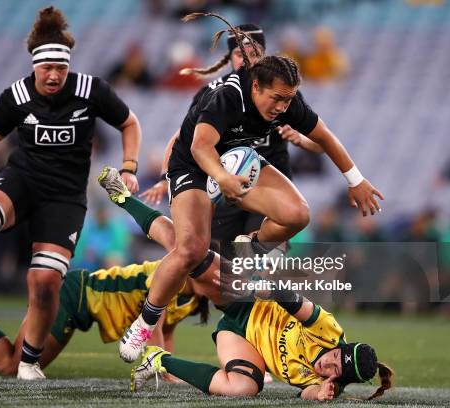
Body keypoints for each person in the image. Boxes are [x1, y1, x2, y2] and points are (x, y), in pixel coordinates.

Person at [119, 13, 384, 363]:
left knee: (298, 214)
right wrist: (222, 179)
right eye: (277, 99)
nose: (283, 108)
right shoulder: (229, 95)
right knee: (190, 250)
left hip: (240, 162)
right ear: (256, 86)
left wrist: (356, 180)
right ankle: (144, 322)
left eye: (288, 101)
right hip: (195, 166)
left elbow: (324, 136)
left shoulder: (285, 99)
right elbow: (199, 146)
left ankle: (252, 248)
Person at [0, 7, 142, 379]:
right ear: (34, 65)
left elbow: (129, 122)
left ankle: (29, 362)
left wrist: (129, 167)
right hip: (22, 182)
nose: (53, 75)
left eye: (60, 68)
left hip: (64, 198)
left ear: (69, 67)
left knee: (45, 281)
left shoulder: (91, 90)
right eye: (46, 67)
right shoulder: (17, 95)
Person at [0, 167, 212, 377]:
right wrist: (161, 364)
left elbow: (167, 328)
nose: (212, 281)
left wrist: (169, 369)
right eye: (210, 275)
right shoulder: (173, 270)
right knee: (11, 364)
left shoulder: (191, 295)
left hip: (83, 311)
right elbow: (154, 321)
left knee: (14, 360)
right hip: (75, 296)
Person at [140, 23, 324, 251]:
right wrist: (164, 177)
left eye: (254, 54)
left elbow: (320, 144)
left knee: (262, 263)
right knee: (221, 266)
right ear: (229, 57)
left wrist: (301, 140)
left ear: (264, 55)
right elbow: (184, 138)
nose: (245, 60)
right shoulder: (216, 93)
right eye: (239, 54)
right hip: (226, 187)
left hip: (268, 188)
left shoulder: (281, 92)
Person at [131, 282, 394, 402]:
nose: (327, 363)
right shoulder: (328, 330)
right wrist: (267, 288)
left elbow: (306, 393)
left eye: (335, 370)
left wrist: (319, 395)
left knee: (243, 388)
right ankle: (154, 283)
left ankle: (157, 359)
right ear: (340, 346)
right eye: (335, 356)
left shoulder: (330, 386)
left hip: (242, 341)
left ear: (340, 379)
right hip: (251, 304)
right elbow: (293, 300)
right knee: (198, 264)